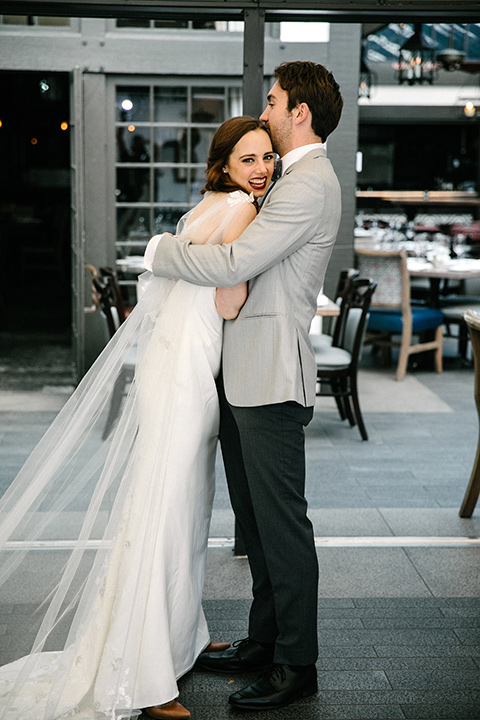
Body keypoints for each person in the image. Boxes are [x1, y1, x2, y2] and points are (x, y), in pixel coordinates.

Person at [0, 117, 274, 720]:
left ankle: (181, 638)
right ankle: (148, 679)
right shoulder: (243, 211)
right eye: (248, 158)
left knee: (178, 509)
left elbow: (174, 280)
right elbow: (230, 299)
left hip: (173, 368)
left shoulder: (202, 208)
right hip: (185, 380)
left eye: (267, 157)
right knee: (166, 513)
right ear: (225, 163)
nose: (261, 169)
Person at [146, 60, 343, 712]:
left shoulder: (308, 183)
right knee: (256, 525)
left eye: (275, 99)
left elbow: (235, 262)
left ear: (301, 113)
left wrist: (161, 249)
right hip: (241, 376)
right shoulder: (289, 178)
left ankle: (297, 664)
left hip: (270, 379)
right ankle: (263, 643)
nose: (267, 109)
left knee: (283, 529)